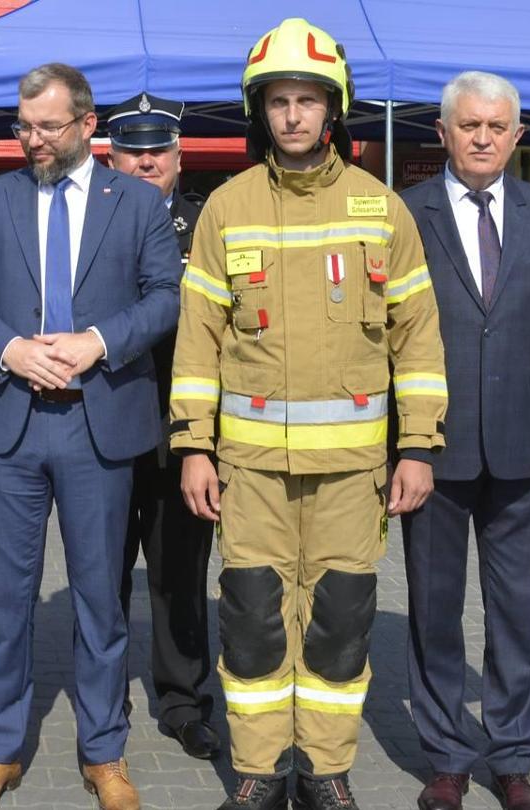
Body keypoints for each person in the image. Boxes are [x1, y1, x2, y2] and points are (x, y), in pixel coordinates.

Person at [172, 21, 445, 810]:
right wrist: (194, 447)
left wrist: (419, 447)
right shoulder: (227, 208)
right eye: (279, 101)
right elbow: (198, 343)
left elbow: (417, 341)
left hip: (354, 472)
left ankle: (325, 769)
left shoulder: (381, 209)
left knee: (339, 623)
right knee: (254, 617)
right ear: (260, 111)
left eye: (308, 100)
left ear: (336, 109)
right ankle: (259, 770)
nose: (293, 116)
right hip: (249, 468)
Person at [0, 62, 178, 810]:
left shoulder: (136, 202)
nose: (32, 139)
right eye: (23, 125)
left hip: (96, 423)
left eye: (46, 126)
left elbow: (164, 296)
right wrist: (10, 350)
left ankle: (104, 752)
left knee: (99, 605)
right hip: (6, 424)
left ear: (86, 124)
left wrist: (99, 342)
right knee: (5, 602)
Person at [399, 71, 530, 810]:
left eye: (497, 127)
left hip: (527, 448)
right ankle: (448, 755)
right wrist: (401, 447)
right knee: (433, 607)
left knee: (515, 609)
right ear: (444, 132)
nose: (482, 138)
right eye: (469, 125)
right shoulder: (404, 214)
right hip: (433, 452)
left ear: (517, 137)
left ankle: (513, 758)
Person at [102, 90, 219, 763]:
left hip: (180, 435)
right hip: (108, 427)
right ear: (111, 157)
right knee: (102, 573)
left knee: (181, 574)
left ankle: (182, 701)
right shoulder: (86, 225)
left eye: (157, 152)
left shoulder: (208, 227)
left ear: (178, 158)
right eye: (131, 152)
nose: (145, 164)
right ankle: (103, 695)